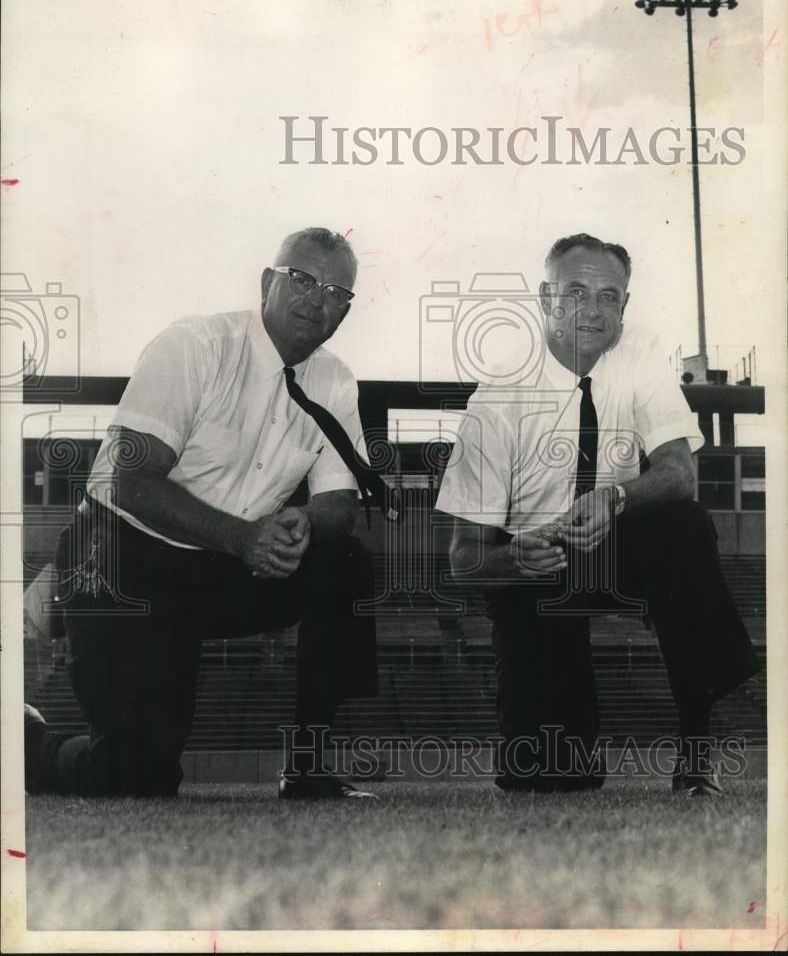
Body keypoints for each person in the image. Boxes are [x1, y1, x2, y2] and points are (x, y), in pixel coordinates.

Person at [25, 227, 380, 800]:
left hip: (219, 565)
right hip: (121, 558)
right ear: (267, 282)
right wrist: (242, 538)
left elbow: (340, 502)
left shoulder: (334, 379)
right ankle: (21, 738)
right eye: (303, 279)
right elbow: (132, 481)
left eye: (337, 291)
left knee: (343, 562)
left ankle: (309, 766)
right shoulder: (194, 345)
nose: (317, 299)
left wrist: (305, 523)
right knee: (135, 775)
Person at [436, 233, 759, 796]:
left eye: (609, 296)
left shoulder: (638, 352)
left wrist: (616, 497)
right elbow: (464, 561)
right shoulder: (497, 399)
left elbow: (680, 473)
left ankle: (695, 755)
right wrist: (515, 557)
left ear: (625, 306)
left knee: (682, 524)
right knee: (549, 776)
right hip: (535, 568)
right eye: (576, 292)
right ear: (546, 298)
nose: (593, 309)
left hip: (618, 541)